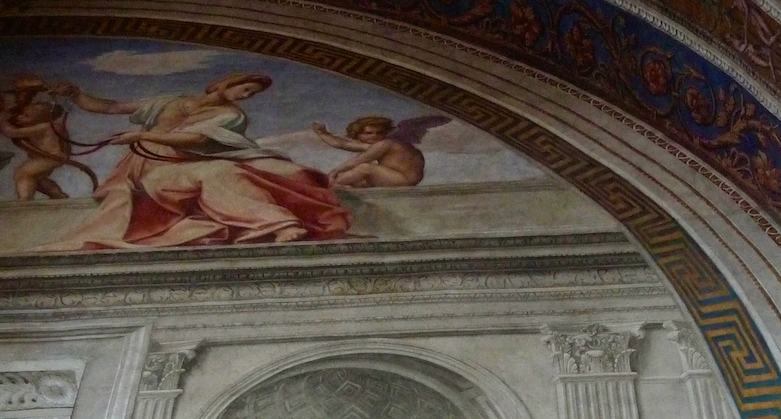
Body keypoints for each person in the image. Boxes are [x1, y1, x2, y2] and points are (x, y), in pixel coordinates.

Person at [41, 73, 351, 251]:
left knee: (221, 171)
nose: (246, 95)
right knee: (215, 173)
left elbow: (198, 139)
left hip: (176, 166)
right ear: (227, 82)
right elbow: (111, 107)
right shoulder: (171, 101)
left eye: (252, 94)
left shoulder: (230, 115)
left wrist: (140, 136)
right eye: (245, 88)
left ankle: (278, 224)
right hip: (141, 168)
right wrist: (75, 94)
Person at [0, 75, 96, 200]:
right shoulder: (43, 124)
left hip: (51, 157)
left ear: (42, 118)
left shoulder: (45, 126)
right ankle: (58, 195)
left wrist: (2, 123)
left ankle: (25, 202)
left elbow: (12, 133)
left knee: (22, 174)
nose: (19, 117)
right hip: (48, 156)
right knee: (37, 179)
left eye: (26, 116)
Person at [311, 114, 448, 188]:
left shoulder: (386, 144)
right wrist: (322, 133)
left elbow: (359, 160)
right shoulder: (381, 145)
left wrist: (333, 173)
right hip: (396, 178)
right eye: (368, 133)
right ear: (357, 135)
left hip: (403, 180)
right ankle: (335, 186)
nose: (374, 136)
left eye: (379, 133)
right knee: (359, 182)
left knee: (365, 168)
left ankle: (324, 186)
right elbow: (343, 144)